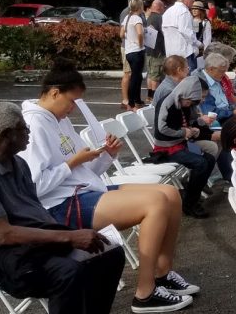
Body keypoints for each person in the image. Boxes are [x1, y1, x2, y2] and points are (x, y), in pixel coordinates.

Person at [17, 63, 197, 312]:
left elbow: (83, 171)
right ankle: (145, 293)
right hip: (60, 207)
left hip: (82, 192)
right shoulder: (33, 126)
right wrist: (73, 163)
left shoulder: (59, 119)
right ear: (55, 92)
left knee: (170, 194)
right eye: (71, 101)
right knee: (155, 203)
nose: (72, 109)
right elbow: (36, 187)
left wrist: (105, 156)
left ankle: (161, 273)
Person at [0, 102, 127, 314]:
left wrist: (70, 234)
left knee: (109, 253)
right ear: (6, 135)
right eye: (23, 128)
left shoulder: (18, 163)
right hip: (4, 257)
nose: (29, 131)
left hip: (34, 243)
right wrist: (68, 237)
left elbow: (35, 212)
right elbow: (3, 235)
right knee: (67, 271)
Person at [154, 77, 217, 218]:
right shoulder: (167, 103)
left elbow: (188, 122)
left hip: (180, 144)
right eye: (188, 102)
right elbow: (161, 129)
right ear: (183, 94)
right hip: (166, 148)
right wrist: (184, 132)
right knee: (200, 163)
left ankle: (191, 195)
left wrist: (194, 127)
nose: (189, 105)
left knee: (210, 159)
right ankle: (190, 203)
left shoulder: (184, 104)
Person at [119, 0, 147, 109]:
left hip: (129, 51)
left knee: (136, 76)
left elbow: (121, 34)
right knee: (136, 77)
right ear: (139, 7)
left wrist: (129, 38)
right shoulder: (137, 18)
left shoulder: (127, 18)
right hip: (137, 51)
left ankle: (135, 100)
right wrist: (140, 43)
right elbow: (140, 33)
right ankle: (132, 102)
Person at [162, 0, 200, 70]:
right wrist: (198, 44)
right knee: (189, 81)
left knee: (174, 80)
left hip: (171, 54)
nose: (193, 0)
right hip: (185, 55)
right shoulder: (184, 11)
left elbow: (164, 31)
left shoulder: (167, 11)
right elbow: (186, 32)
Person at [145, 0, 167, 104]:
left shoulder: (149, 17)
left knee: (150, 74)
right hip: (158, 52)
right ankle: (154, 98)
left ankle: (149, 96)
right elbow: (164, 32)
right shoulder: (159, 18)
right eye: (163, 7)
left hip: (149, 51)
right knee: (156, 76)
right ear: (160, 7)